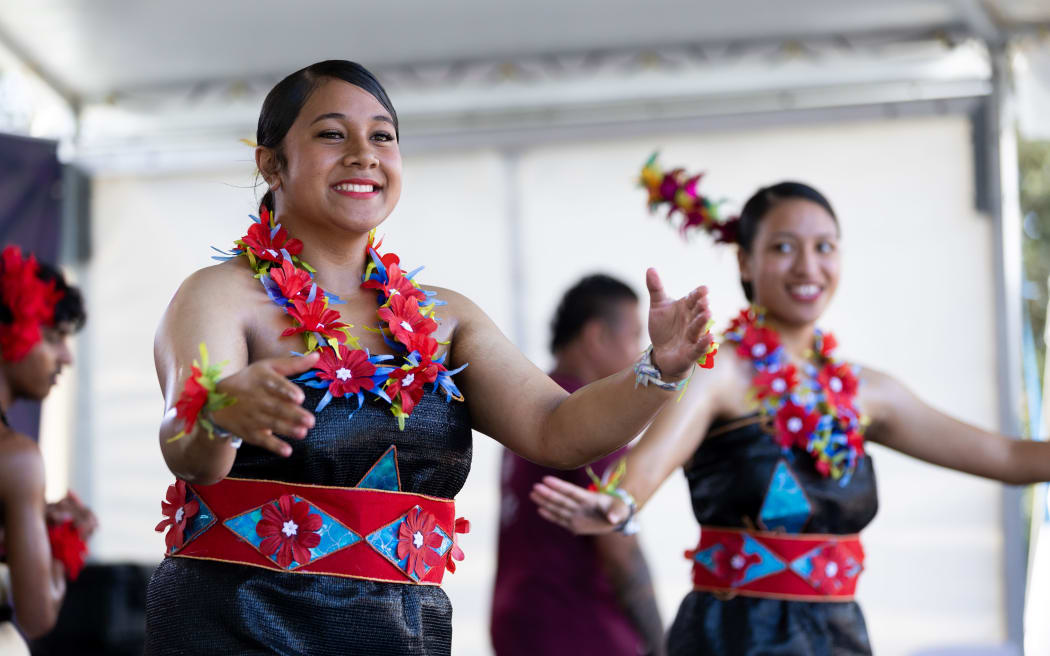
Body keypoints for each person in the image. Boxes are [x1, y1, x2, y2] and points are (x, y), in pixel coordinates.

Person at [143, 60, 715, 656]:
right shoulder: (219, 296)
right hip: (237, 629)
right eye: (332, 134)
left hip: (401, 634)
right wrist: (218, 413)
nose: (364, 154)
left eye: (383, 136)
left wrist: (659, 369)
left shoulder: (445, 319)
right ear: (271, 163)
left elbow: (558, 429)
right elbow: (186, 449)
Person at [531, 171, 1050, 655]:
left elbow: (1005, 455)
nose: (807, 267)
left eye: (824, 247)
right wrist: (619, 504)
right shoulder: (720, 371)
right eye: (783, 247)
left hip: (837, 637)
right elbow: (646, 464)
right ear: (744, 262)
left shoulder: (872, 393)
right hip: (731, 637)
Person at [491, 274, 664, 656]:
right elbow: (620, 549)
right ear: (597, 336)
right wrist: (661, 643)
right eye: (635, 336)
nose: (640, 352)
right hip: (580, 629)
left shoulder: (528, 404)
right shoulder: (593, 416)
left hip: (517, 621)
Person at [0, 247, 95, 654]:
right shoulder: (16, 457)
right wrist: (64, 539)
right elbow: (37, 615)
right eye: (54, 337)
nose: (66, 357)